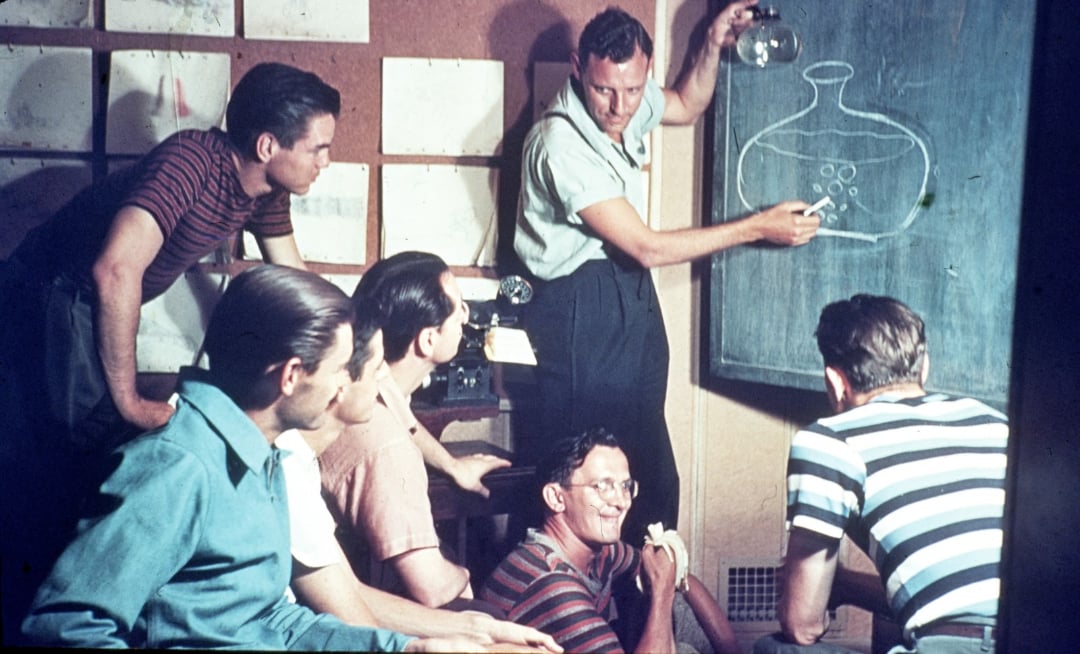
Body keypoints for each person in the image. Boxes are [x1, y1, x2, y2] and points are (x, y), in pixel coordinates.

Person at [0, 61, 339, 635]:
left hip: (85, 302)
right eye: (318, 148)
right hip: (46, 298)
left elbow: (299, 285)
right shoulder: (190, 161)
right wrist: (129, 399)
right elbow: (114, 270)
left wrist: (353, 352)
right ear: (267, 145)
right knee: (65, 466)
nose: (325, 161)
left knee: (85, 460)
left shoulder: (266, 191)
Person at [22, 264, 458, 650]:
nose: (347, 384)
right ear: (291, 376)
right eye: (340, 369)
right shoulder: (178, 467)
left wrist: (405, 649)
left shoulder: (266, 458)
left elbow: (270, 620)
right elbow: (66, 627)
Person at [512, 2, 822, 543]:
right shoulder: (559, 142)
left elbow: (686, 104)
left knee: (649, 473)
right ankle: (575, 597)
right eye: (605, 89)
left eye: (633, 89)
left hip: (627, 296)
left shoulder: (626, 101)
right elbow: (647, 247)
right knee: (587, 483)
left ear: (644, 71)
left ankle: (648, 592)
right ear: (578, 68)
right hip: (579, 310)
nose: (620, 106)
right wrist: (758, 227)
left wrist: (711, 44)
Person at [277, 295, 561, 652]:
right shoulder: (288, 468)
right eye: (377, 366)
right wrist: (419, 646)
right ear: (339, 384)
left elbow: (350, 592)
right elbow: (358, 618)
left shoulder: (296, 459)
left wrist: (477, 628)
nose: (385, 377)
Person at [753, 295, 1008, 654]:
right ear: (924, 368)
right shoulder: (996, 422)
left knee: (775, 649)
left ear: (835, 381)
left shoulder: (829, 440)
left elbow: (802, 626)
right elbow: (956, 602)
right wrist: (846, 586)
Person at [319, 251, 512, 608]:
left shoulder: (373, 382)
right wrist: (466, 575)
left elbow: (407, 422)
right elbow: (431, 589)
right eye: (459, 308)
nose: (466, 315)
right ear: (427, 340)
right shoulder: (388, 447)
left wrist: (452, 465)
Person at [481, 427, 742, 654]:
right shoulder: (553, 583)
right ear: (557, 498)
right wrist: (661, 592)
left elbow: (679, 578)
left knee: (677, 607)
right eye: (602, 486)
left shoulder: (601, 551)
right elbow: (664, 583)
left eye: (625, 486)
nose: (621, 502)